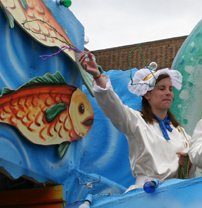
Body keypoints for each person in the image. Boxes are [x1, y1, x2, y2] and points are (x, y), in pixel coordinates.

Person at [79, 53, 190, 191]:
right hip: (147, 196)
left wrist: (188, 163)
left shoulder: (180, 132)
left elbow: (197, 160)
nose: (168, 92)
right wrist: (97, 76)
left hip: (176, 194)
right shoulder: (137, 121)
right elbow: (114, 107)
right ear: (147, 94)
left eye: (170, 89)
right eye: (162, 88)